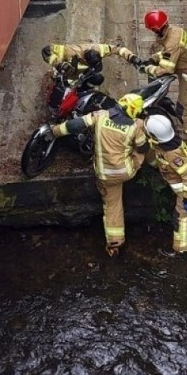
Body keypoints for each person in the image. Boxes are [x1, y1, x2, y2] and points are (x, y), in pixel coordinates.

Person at [51, 93, 147, 256]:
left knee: (112, 205)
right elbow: (143, 148)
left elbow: (75, 125)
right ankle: (156, 165)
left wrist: (55, 131)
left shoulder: (100, 116)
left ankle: (114, 243)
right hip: (126, 172)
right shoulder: (136, 126)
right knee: (141, 151)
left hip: (104, 174)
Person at [141, 9, 187, 151]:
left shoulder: (172, 42)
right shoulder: (176, 31)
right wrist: (156, 57)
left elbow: (166, 69)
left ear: (156, 29)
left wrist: (148, 68)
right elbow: (172, 53)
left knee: (183, 110)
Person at [145, 114, 187, 257]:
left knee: (182, 218)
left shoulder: (172, 154)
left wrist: (186, 198)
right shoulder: (172, 142)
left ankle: (182, 249)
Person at [42, 41, 114, 77]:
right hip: (65, 76)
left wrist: (125, 55)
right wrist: (59, 64)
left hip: (81, 79)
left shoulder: (99, 50)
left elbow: (117, 49)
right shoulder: (70, 52)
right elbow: (46, 50)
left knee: (99, 79)